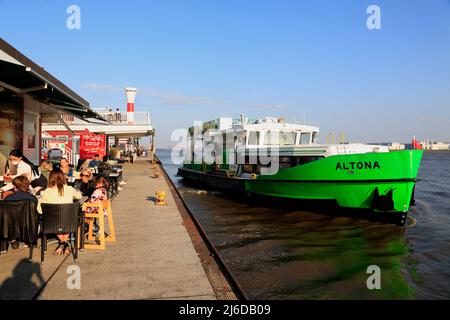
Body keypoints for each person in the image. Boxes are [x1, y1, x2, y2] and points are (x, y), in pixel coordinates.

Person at [38, 169, 82, 256]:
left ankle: (62, 244)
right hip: (70, 222)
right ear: (63, 178)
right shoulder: (69, 189)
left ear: (50, 178)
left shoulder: (46, 191)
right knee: (66, 217)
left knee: (57, 219)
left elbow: (39, 210)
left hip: (53, 223)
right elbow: (79, 196)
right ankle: (65, 243)